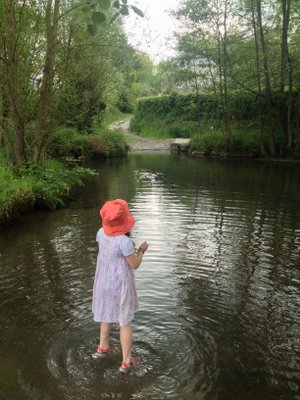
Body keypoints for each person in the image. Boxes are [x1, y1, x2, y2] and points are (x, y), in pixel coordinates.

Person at [92, 198, 149, 373]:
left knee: (106, 314)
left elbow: (110, 248)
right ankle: (126, 361)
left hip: (103, 283)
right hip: (120, 286)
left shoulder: (100, 233)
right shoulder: (124, 242)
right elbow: (134, 264)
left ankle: (103, 348)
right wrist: (140, 251)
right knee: (125, 322)